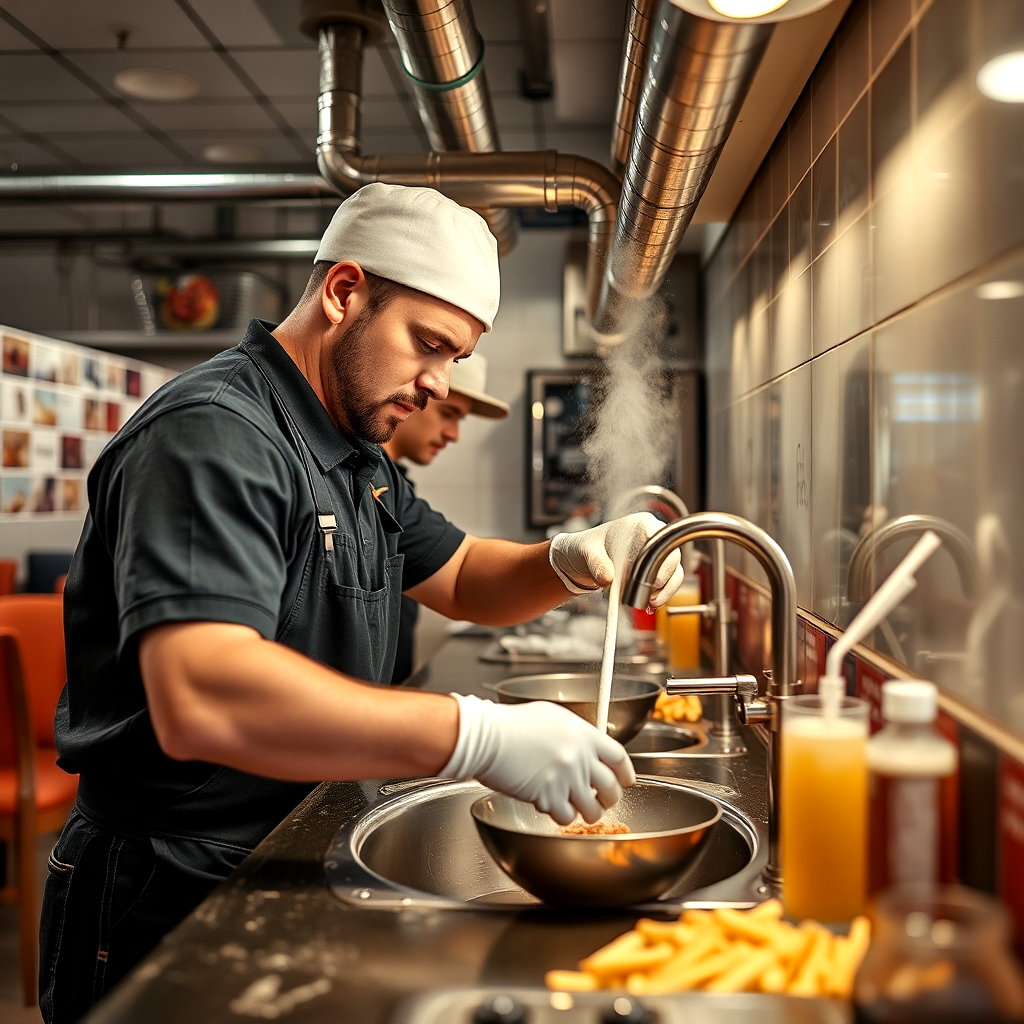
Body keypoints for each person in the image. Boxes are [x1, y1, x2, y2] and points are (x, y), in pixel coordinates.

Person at [40, 183, 683, 1023]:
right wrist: (477, 736)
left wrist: (576, 557)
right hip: (173, 879)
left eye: (454, 357)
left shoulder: (352, 448)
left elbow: (460, 577)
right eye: (429, 344)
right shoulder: (214, 434)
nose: (436, 384)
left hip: (289, 840)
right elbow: (203, 693)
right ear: (344, 293)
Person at [382, 354, 509, 682]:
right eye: (448, 414)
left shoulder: (394, 486)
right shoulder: (358, 481)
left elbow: (460, 571)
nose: (453, 435)